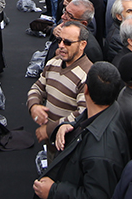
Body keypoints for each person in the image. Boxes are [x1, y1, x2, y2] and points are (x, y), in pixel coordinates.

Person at [17, 62, 129, 199]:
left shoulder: (101, 151)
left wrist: (53, 191)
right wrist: (67, 127)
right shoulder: (104, 115)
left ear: (85, 90)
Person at [27, 21, 93, 151]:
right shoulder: (54, 63)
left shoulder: (88, 75)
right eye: (59, 40)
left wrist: (50, 129)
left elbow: (83, 113)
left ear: (82, 45)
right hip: (52, 142)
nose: (61, 46)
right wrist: (34, 105)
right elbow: (38, 87)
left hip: (70, 145)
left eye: (67, 42)